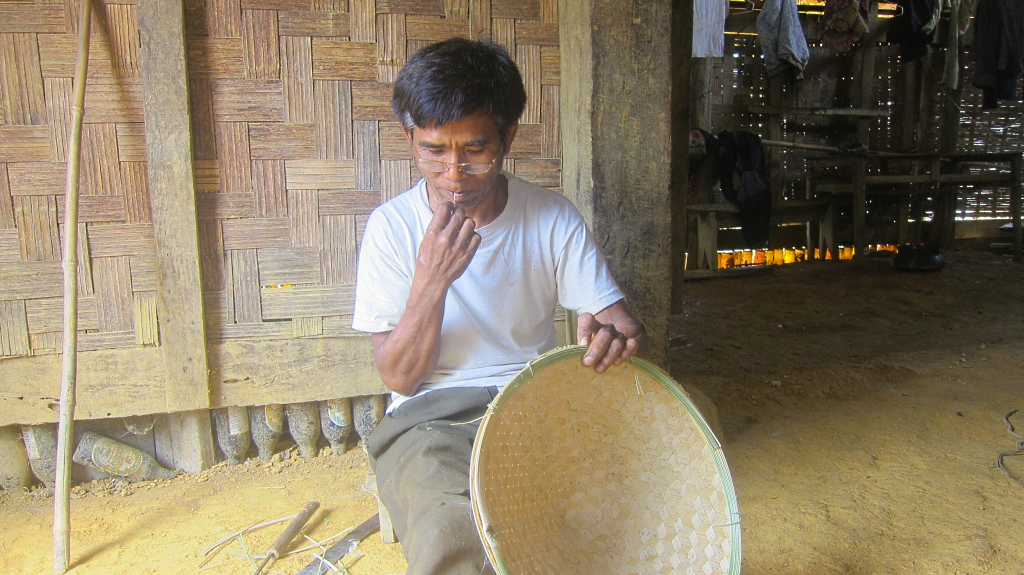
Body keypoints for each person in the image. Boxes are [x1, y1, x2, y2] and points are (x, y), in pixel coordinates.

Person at [351, 38, 648, 575]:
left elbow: (622, 326)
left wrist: (616, 340)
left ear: (508, 136)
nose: (454, 172)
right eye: (433, 150)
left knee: (612, 510)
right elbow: (399, 377)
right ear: (410, 138)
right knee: (449, 530)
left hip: (532, 403)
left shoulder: (550, 217)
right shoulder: (391, 230)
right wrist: (430, 283)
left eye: (476, 149)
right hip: (431, 419)